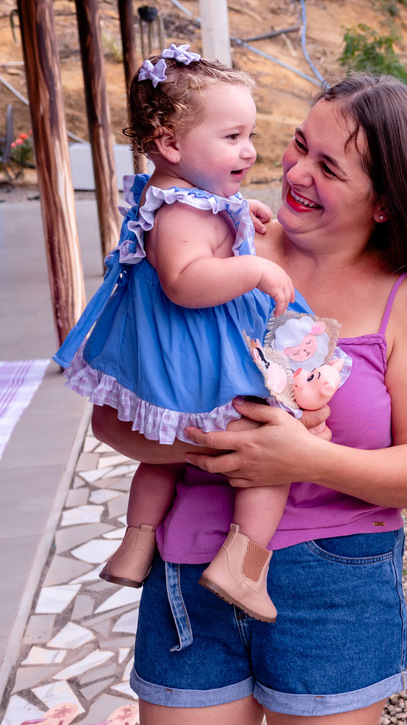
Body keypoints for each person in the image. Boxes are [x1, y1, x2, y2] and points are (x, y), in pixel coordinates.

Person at [91, 73, 407, 725]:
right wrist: (202, 443)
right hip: (188, 579)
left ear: (386, 200)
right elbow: (111, 411)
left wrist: (302, 457)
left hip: (333, 592)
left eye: (329, 167)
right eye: (301, 144)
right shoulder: (210, 242)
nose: (297, 172)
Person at [52, 45, 342, 623]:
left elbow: (209, 229)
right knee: (270, 446)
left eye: (251, 134)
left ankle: (137, 546)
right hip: (195, 357)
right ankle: (241, 565)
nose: (250, 150)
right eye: (233, 137)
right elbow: (186, 280)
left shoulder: (180, 198)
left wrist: (242, 215)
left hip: (173, 358)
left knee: (158, 460)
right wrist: (254, 267)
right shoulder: (181, 213)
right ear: (171, 143)